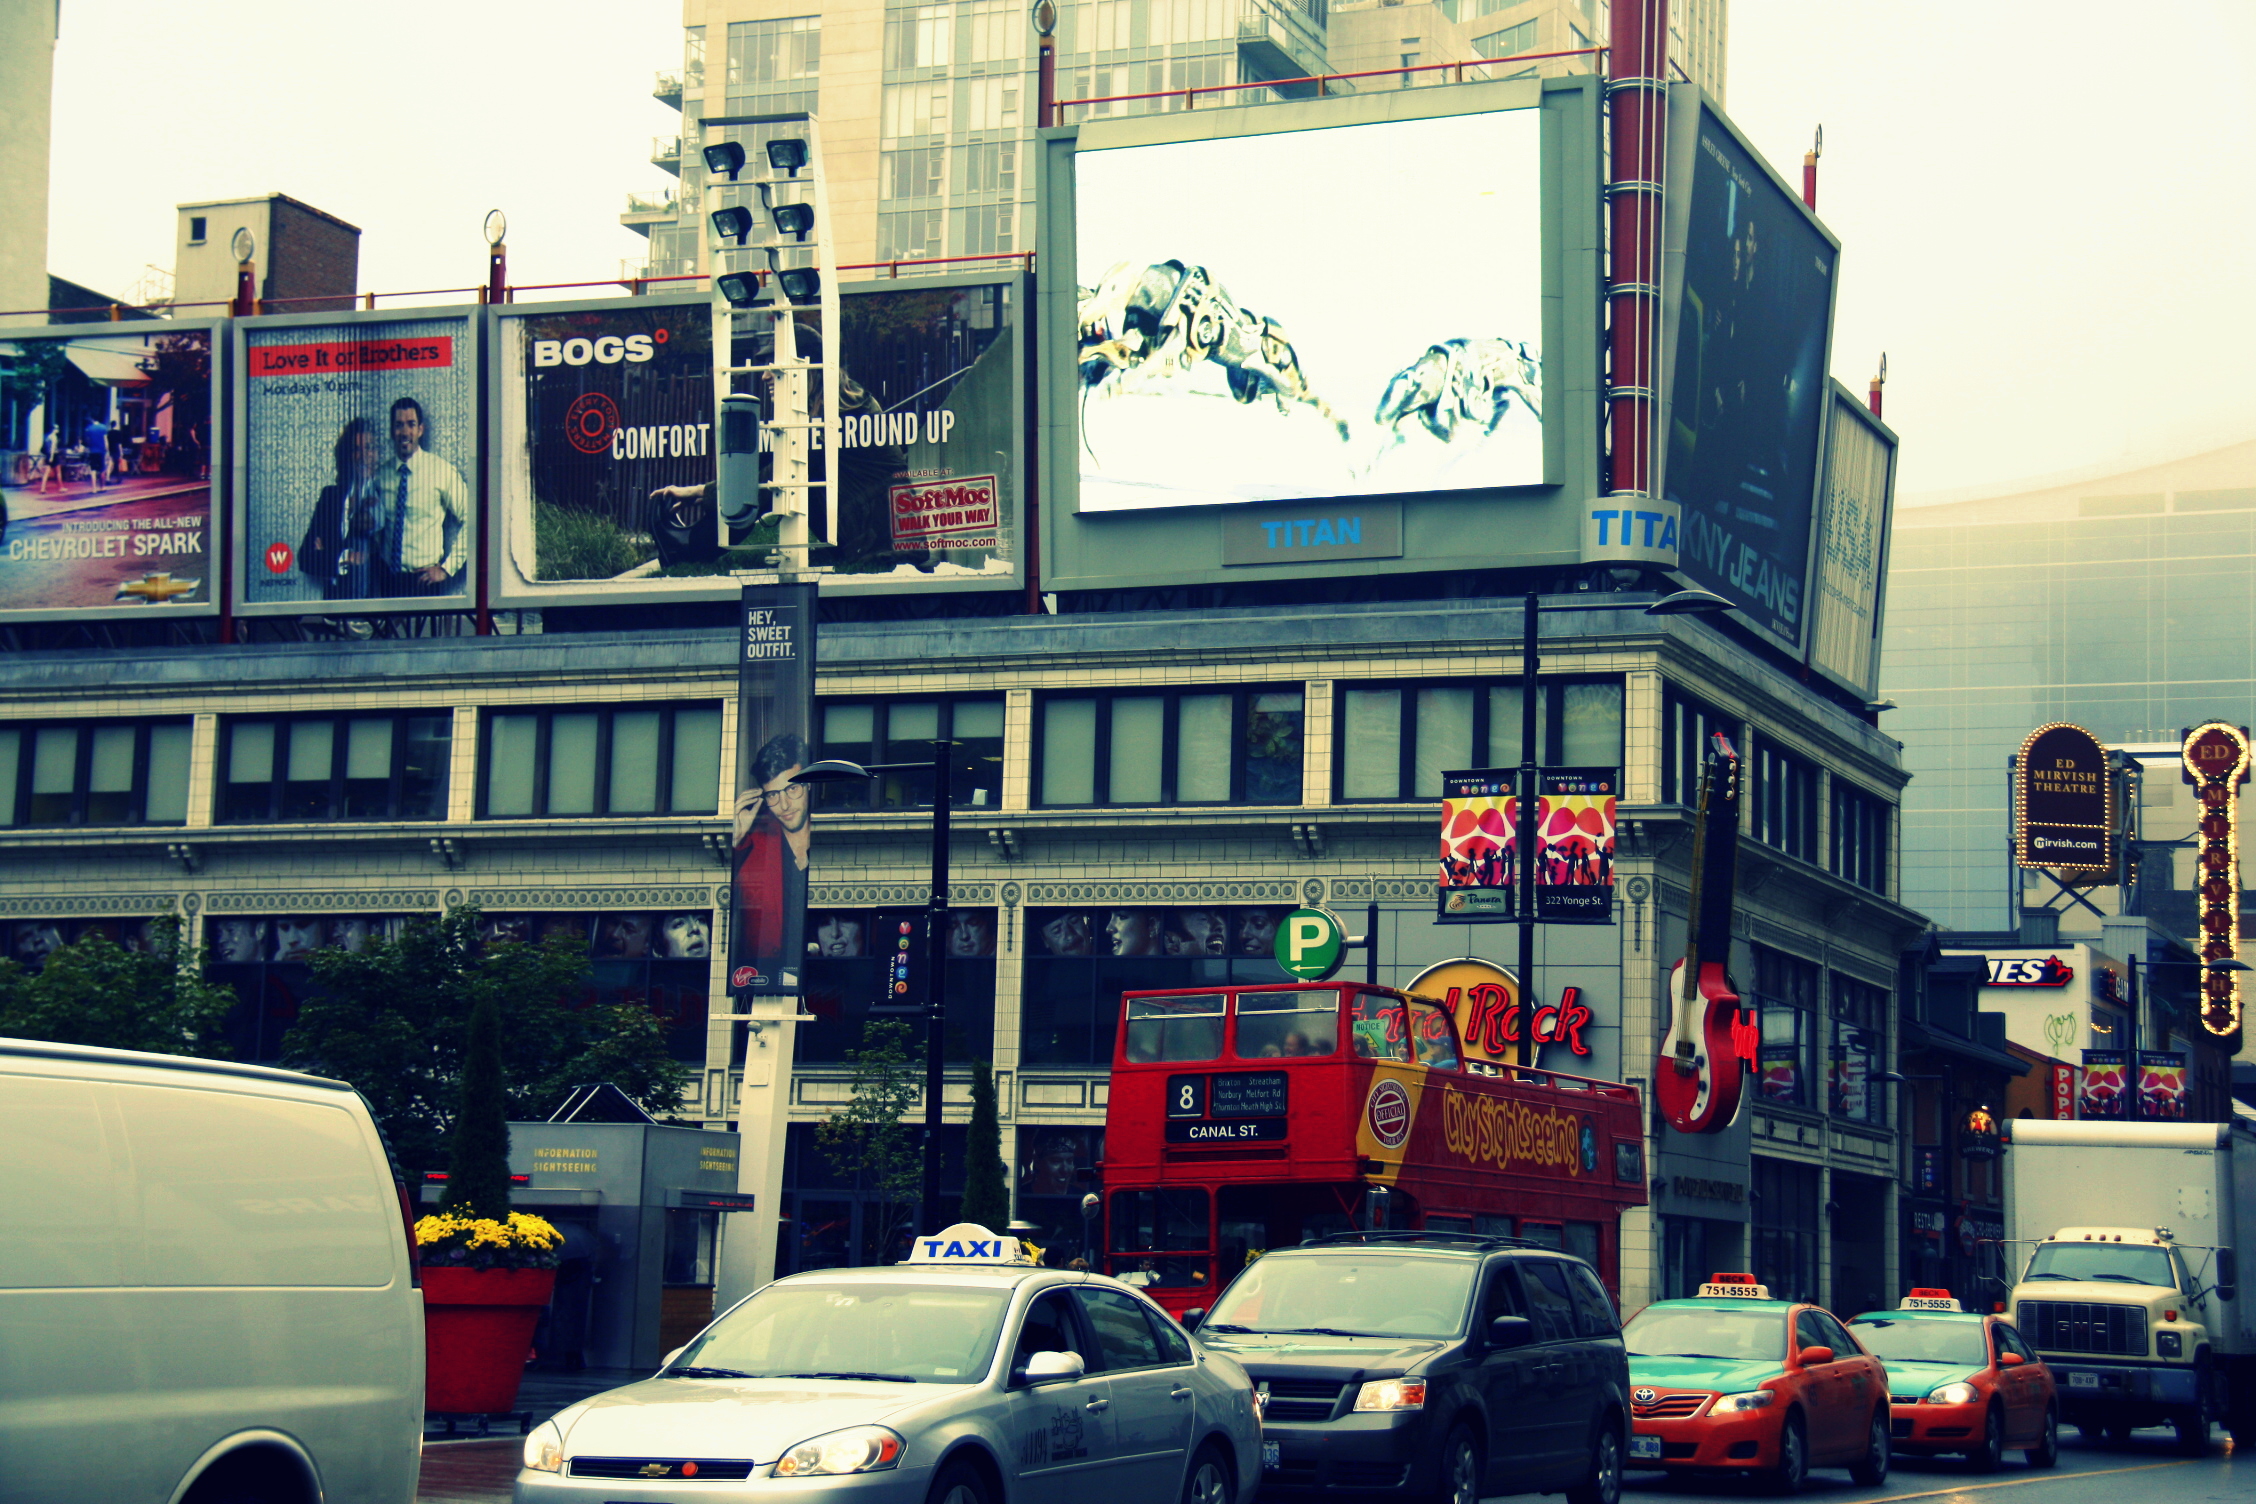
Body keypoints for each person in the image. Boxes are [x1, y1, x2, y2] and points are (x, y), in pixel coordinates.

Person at [734, 732, 812, 991]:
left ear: (809, 784)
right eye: (773, 795)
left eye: (792, 788)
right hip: (767, 979)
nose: (784, 804)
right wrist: (739, 837)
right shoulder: (755, 849)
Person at [379, 397, 469, 597]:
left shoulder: (441, 471)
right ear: (392, 432)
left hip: (424, 581)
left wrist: (447, 569)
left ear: (420, 429)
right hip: (386, 579)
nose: (405, 432)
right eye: (398, 425)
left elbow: (473, 517)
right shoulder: (380, 476)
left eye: (411, 424)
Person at [299, 418, 388, 601]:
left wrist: (327, 551)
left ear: (378, 453)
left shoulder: (387, 494)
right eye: (357, 449)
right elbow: (306, 557)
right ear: (348, 455)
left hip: (374, 609)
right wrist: (344, 556)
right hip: (334, 608)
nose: (364, 455)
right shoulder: (330, 496)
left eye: (370, 448)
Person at [80, 417, 109, 494]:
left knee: (93, 470)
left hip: (92, 451)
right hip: (101, 451)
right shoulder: (103, 427)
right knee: (102, 469)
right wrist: (107, 450)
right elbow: (105, 440)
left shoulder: (88, 429)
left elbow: (87, 440)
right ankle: (102, 487)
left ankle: (94, 488)